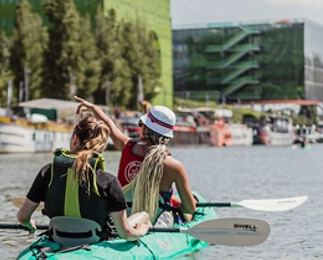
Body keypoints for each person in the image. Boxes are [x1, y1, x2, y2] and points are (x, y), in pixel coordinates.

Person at [16, 116, 150, 241]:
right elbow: (125, 234)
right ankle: (147, 220)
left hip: (58, 236)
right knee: (143, 215)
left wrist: (29, 223)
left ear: (75, 138)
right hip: (94, 239)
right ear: (101, 147)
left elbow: (22, 217)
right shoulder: (109, 181)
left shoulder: (47, 172)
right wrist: (141, 231)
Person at [74, 96, 197, 223]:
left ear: (144, 128)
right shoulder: (174, 166)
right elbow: (189, 208)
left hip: (122, 219)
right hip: (154, 221)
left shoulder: (127, 147)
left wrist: (93, 108)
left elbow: (109, 124)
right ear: (167, 136)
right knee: (188, 214)